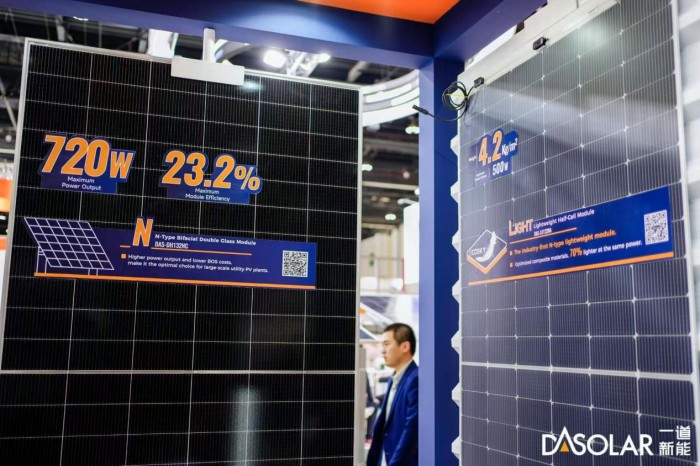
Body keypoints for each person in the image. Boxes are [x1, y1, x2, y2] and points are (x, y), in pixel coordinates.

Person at [366, 323, 418, 466]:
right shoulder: (393, 379)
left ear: (405, 347)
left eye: (387, 344)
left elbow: (411, 430)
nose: (382, 351)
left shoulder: (415, 379)